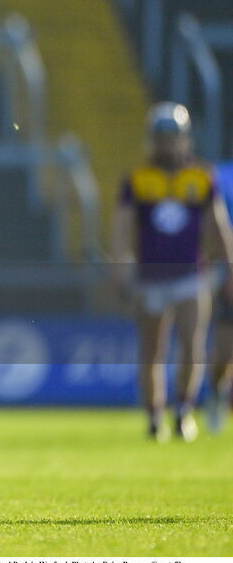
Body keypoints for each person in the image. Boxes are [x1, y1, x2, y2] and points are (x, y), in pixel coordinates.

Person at [110, 102, 233, 441]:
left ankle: (184, 410)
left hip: (192, 274)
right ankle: (154, 415)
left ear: (185, 139)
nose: (168, 145)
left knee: (193, 343)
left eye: (173, 138)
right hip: (151, 278)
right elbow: (122, 227)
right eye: (161, 138)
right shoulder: (137, 179)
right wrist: (119, 265)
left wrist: (229, 265)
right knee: (153, 349)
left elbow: (217, 226)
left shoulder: (201, 177)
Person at [206, 151, 233, 431]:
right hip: (229, 270)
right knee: (225, 349)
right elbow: (214, 225)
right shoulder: (220, 175)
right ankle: (217, 391)